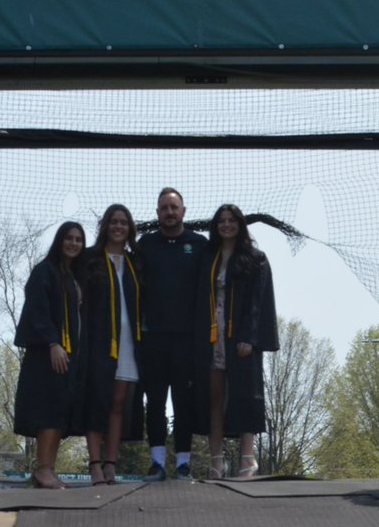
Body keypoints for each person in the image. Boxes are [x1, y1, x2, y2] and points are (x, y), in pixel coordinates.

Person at [194, 204, 279, 479]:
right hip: (212, 337)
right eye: (222, 220)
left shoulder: (255, 258)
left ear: (240, 225)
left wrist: (249, 338)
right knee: (214, 398)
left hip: (239, 338)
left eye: (232, 220)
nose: (226, 225)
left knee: (244, 396)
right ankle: (217, 462)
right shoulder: (208, 257)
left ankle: (247, 459)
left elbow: (257, 303)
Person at [137, 187, 208, 481]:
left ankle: (182, 464)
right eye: (164, 208)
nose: (169, 212)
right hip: (153, 339)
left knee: (184, 402)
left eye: (174, 207)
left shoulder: (199, 245)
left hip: (187, 340)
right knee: (154, 401)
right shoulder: (145, 245)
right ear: (157, 213)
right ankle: (156, 463)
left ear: (184, 211)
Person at [13, 221, 87, 489]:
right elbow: (38, 310)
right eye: (69, 238)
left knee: (59, 410)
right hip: (48, 355)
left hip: (69, 355)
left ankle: (48, 469)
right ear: (59, 240)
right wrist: (53, 343)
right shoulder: (44, 271)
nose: (74, 243)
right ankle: (43, 468)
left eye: (79, 239)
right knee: (47, 409)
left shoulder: (72, 276)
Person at [80, 204, 144, 485]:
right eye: (113, 222)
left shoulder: (135, 262)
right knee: (97, 401)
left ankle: (110, 464)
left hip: (129, 341)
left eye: (123, 223)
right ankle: (94, 464)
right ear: (105, 226)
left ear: (129, 229)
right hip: (99, 341)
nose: (118, 227)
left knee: (119, 403)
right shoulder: (91, 259)